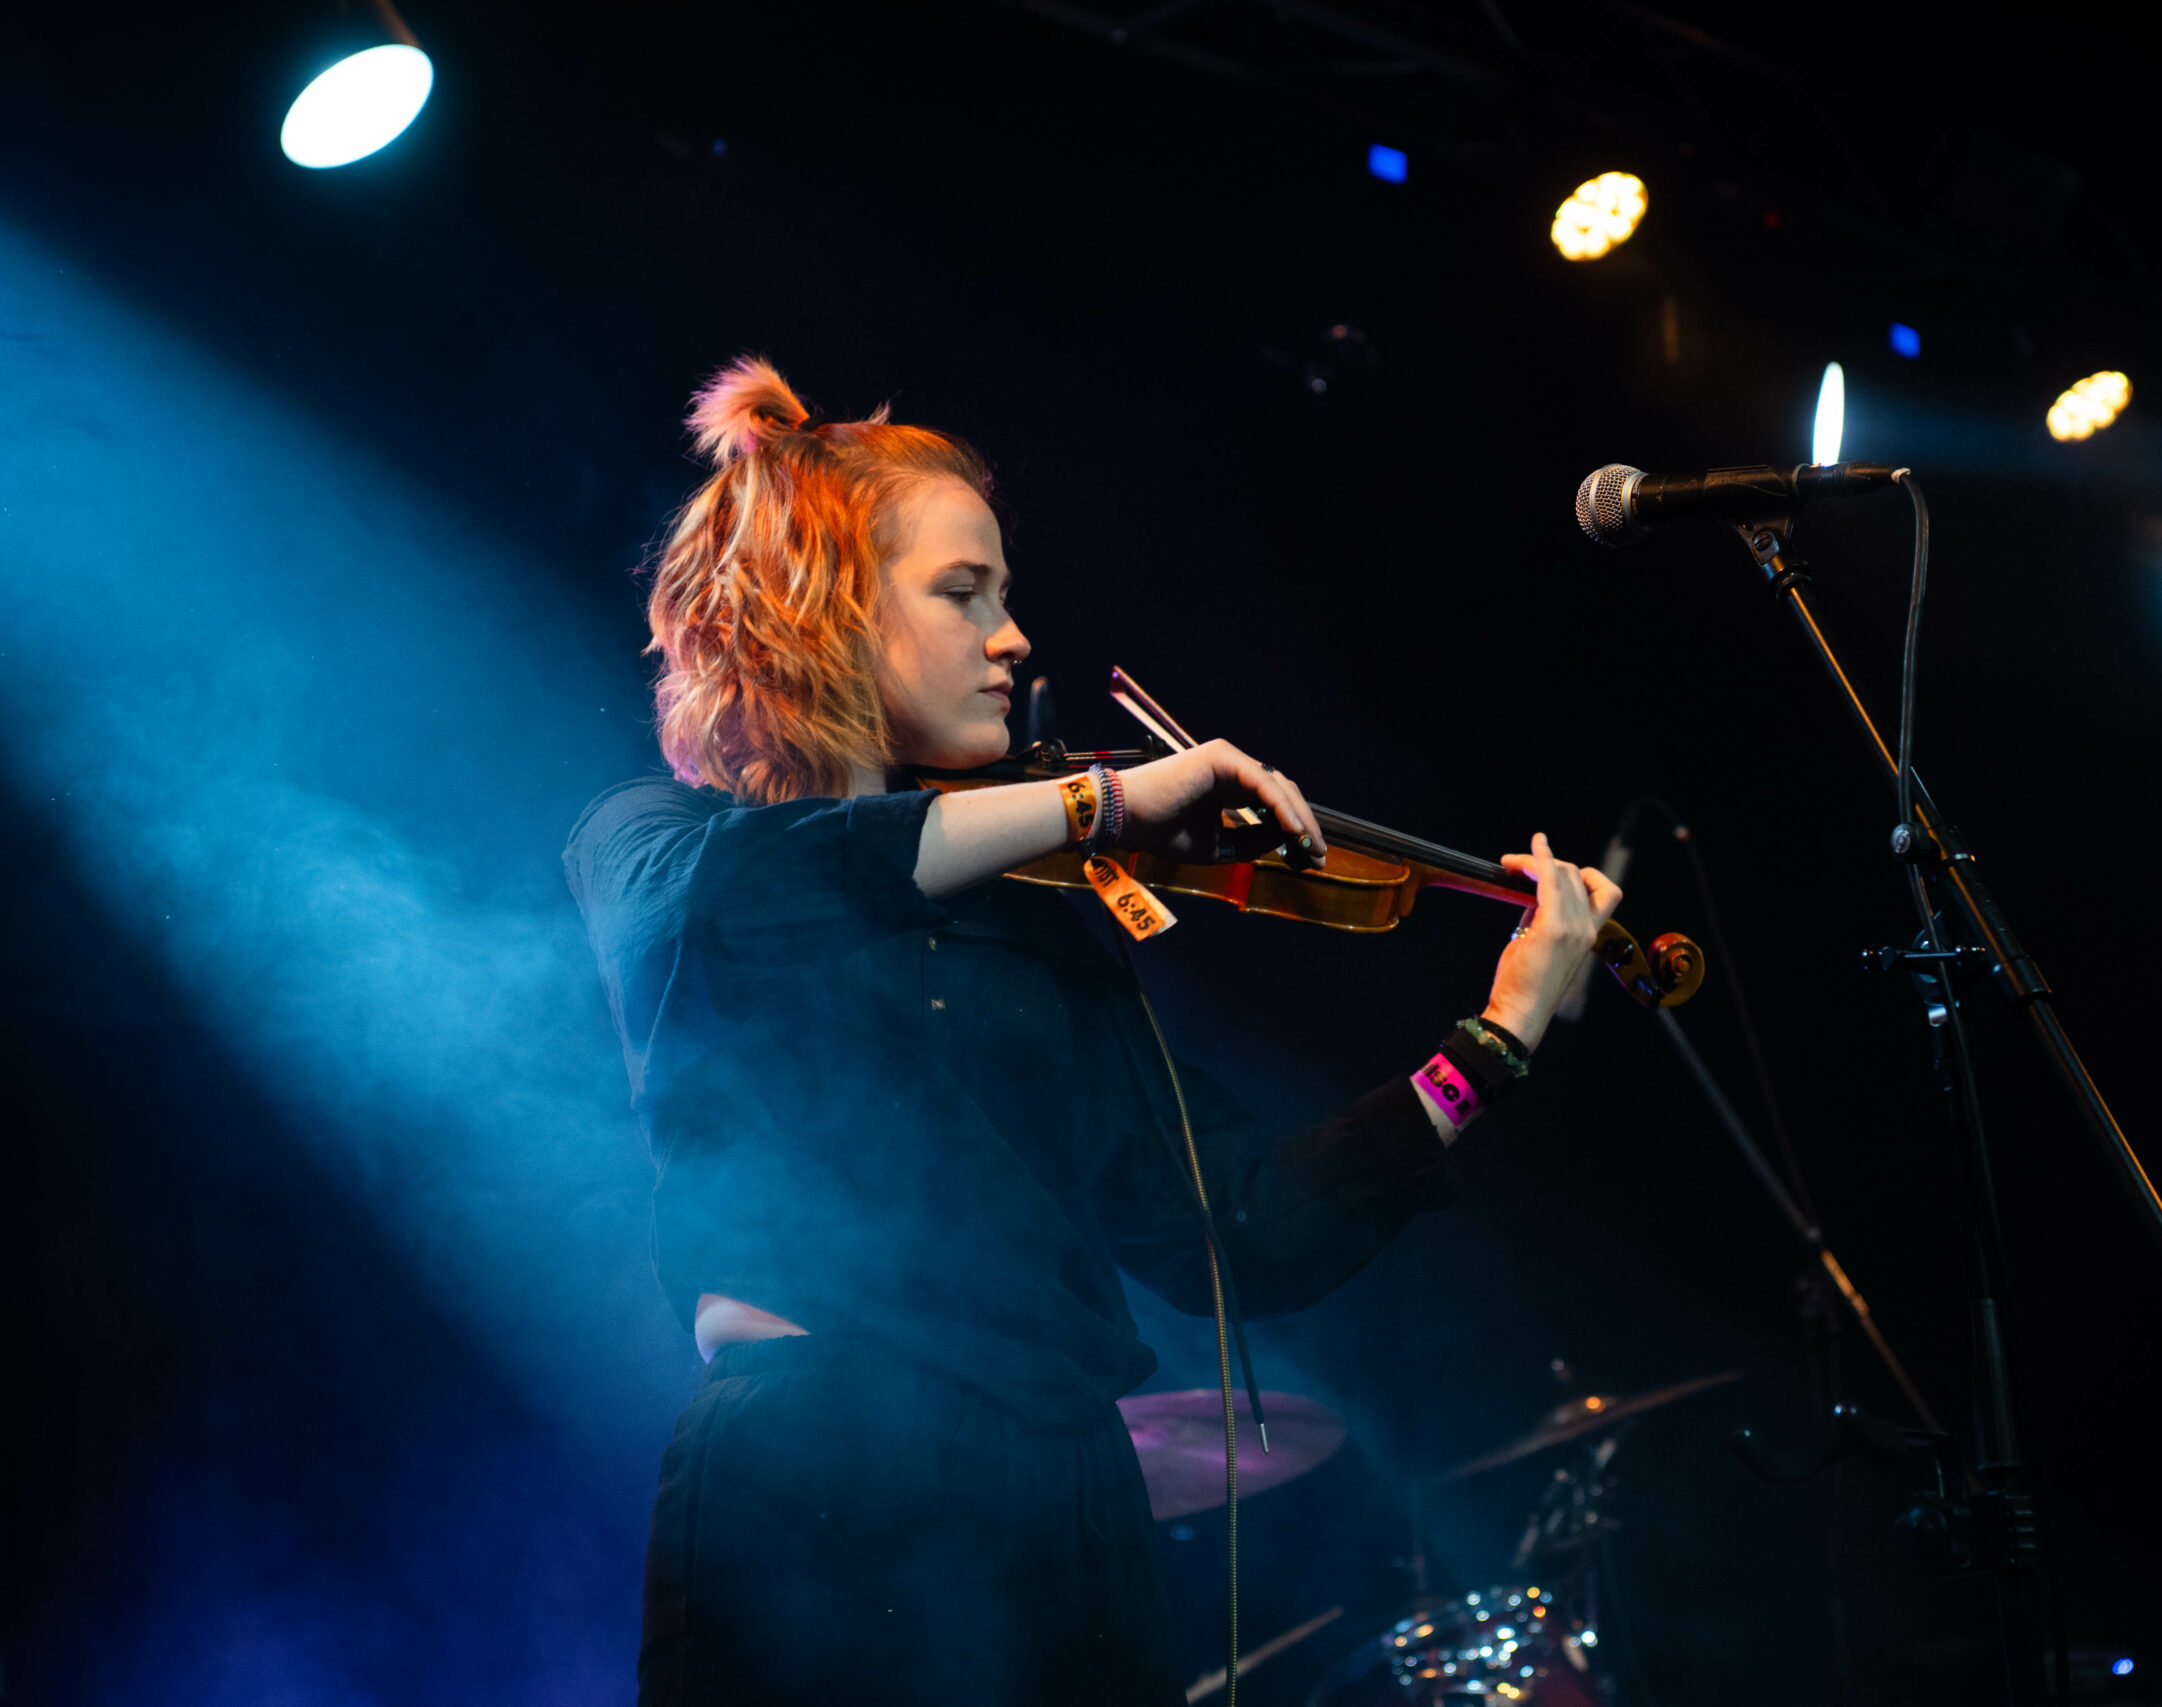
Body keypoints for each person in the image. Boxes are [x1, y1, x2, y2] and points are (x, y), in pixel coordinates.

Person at [563, 356, 1621, 1706]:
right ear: (818, 612)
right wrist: (1102, 803)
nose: (1011, 638)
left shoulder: (1042, 917)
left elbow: (1236, 1231)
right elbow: (761, 887)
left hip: (1065, 1494)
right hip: (826, 1471)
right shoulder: (658, 843)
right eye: (963, 593)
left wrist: (1499, 1036)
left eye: (1003, 595)